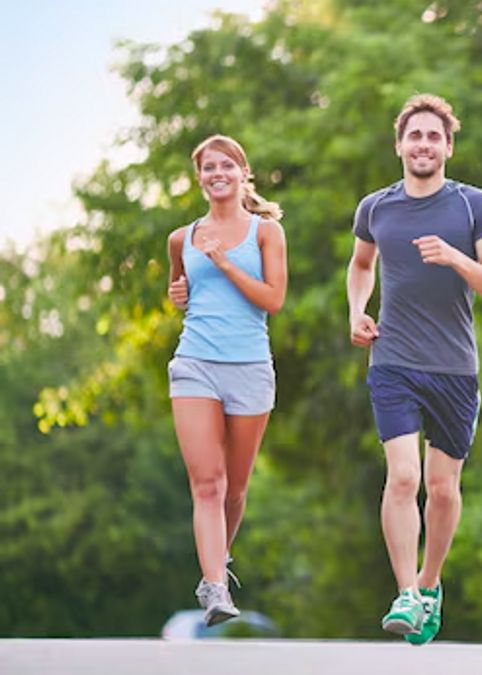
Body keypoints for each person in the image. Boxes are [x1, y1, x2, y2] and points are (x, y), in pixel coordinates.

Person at [346, 93, 482, 644]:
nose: (423, 144)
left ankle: (430, 582)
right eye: (414, 135)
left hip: (456, 369)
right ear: (399, 145)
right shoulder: (376, 208)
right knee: (404, 477)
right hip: (393, 361)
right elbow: (361, 264)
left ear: (448, 147)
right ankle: (406, 595)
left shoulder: (472, 206)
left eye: (433, 136)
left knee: (442, 489)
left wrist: (455, 257)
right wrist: (356, 310)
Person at [166, 134, 288, 627]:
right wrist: (177, 293)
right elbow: (180, 290)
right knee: (208, 483)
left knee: (235, 489)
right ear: (199, 179)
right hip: (194, 362)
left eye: (227, 165)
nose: (218, 173)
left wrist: (223, 263)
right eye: (209, 167)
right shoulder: (182, 237)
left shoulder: (266, 233)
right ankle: (215, 586)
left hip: (250, 367)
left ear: (243, 173)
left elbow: (273, 299)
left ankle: (219, 562)